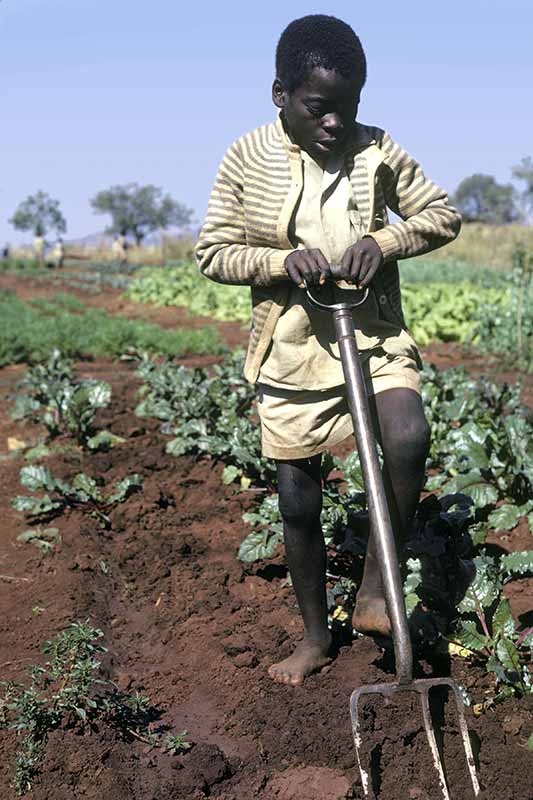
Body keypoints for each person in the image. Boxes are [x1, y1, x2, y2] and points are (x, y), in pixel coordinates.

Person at [196, 14, 461, 686]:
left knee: (406, 434)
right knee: (297, 501)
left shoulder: (376, 151)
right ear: (280, 94)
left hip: (371, 332)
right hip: (290, 349)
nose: (335, 124)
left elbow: (441, 213)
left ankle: (375, 589)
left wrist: (388, 241)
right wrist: (280, 262)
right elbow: (213, 252)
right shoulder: (245, 156)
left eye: (348, 108)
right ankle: (315, 639)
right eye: (319, 108)